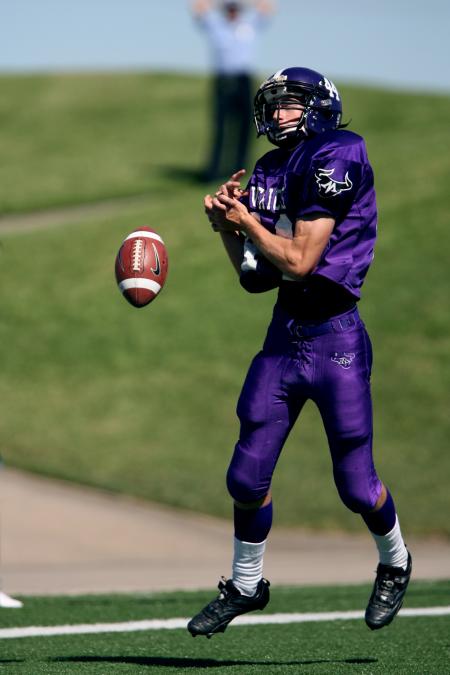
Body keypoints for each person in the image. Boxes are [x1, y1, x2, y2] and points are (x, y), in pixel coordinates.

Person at [187, 67, 412, 638]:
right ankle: (245, 584)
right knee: (245, 475)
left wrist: (247, 224)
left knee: (357, 486)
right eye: (274, 105)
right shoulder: (268, 169)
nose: (276, 114)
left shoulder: (339, 152)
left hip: (336, 336)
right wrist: (227, 229)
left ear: (318, 107)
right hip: (285, 334)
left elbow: (302, 261)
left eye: (288, 104)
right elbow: (258, 277)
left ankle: (395, 561)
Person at [191, 0, 274, 181]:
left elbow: (267, 7)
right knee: (220, 126)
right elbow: (198, 7)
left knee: (246, 126)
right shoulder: (216, 26)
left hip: (244, 80)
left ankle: (240, 170)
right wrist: (217, 5)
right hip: (223, 80)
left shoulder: (249, 25)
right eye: (229, 9)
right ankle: (214, 171)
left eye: (235, 9)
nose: (232, 12)